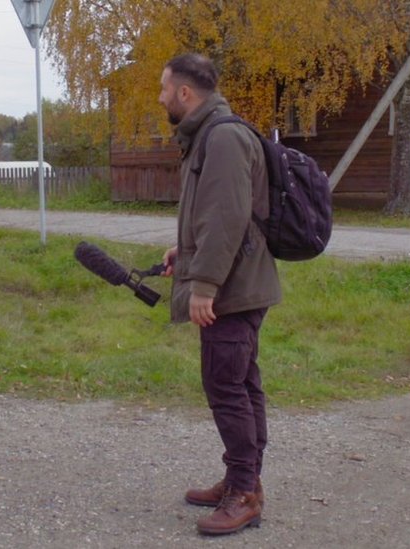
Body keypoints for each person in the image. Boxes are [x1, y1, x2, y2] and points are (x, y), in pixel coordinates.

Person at [158, 53, 282, 535]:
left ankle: (246, 494)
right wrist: (183, 253)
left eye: (165, 89)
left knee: (227, 387)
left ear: (185, 93)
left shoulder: (224, 137)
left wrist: (203, 285)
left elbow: (228, 218)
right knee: (239, 384)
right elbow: (213, 216)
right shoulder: (210, 135)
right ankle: (241, 479)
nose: (162, 97)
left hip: (233, 289)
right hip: (239, 282)